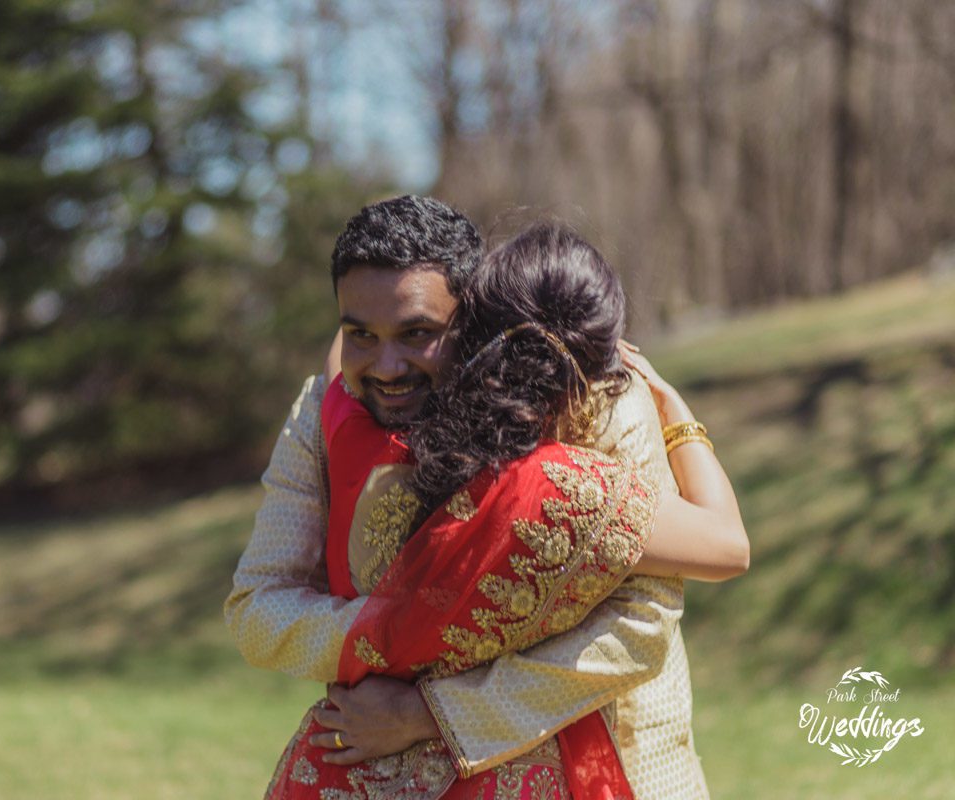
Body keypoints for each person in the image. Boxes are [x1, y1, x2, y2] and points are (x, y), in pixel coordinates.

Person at [226, 197, 744, 799]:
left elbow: (641, 624)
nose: (386, 366)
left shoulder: (582, 411)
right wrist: (384, 641)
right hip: (373, 750)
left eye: (418, 333)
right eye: (360, 334)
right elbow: (258, 608)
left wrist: (430, 711)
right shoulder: (324, 415)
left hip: (604, 751)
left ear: (472, 322)